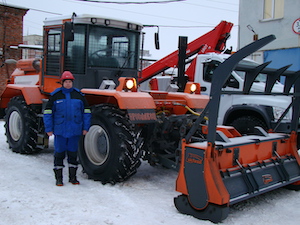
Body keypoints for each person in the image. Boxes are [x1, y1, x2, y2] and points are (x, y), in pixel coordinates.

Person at [43, 71, 91, 186]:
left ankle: (73, 178)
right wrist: (48, 128)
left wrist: (86, 127)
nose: (68, 84)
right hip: (60, 131)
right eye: (66, 82)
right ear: (62, 83)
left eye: (70, 82)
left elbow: (87, 112)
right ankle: (59, 179)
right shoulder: (55, 96)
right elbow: (48, 113)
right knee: (59, 154)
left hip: (75, 130)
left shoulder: (79, 95)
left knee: (73, 154)